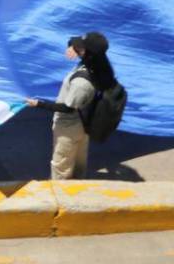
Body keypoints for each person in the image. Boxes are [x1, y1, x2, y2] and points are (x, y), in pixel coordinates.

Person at [26, 32, 115, 180]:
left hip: (69, 128)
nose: (75, 47)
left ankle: (60, 196)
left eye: (79, 48)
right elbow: (73, 40)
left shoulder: (82, 83)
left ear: (87, 53)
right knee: (79, 162)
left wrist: (38, 104)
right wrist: (73, 46)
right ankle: (77, 187)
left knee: (61, 167)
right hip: (84, 124)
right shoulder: (99, 65)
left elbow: (67, 108)